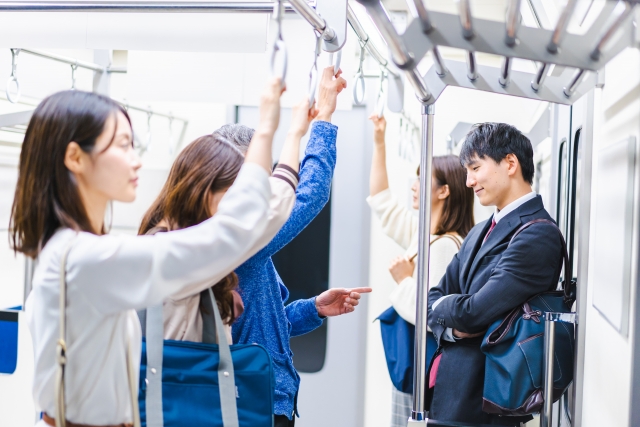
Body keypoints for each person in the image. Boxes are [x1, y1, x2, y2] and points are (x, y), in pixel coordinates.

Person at [11, 78, 289, 426]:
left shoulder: (77, 252)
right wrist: (267, 132)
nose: (136, 161)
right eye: (123, 145)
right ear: (75, 157)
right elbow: (229, 235)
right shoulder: (86, 260)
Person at [228, 67, 371, 427]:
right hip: (252, 406)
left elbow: (262, 329)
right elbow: (310, 196)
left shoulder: (243, 247)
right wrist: (323, 117)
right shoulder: (239, 242)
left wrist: (313, 309)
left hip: (269, 402)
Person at [138, 96, 317, 343]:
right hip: (186, 380)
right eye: (243, 189)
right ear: (205, 190)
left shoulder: (171, 237)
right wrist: (295, 132)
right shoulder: (187, 251)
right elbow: (288, 200)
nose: (249, 202)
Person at [427, 123, 564, 425]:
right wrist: (451, 324)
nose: (469, 181)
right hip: (450, 391)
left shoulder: (538, 234)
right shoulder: (478, 231)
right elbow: (433, 297)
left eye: (475, 168)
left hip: (486, 400)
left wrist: (449, 312)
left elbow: (474, 313)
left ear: (510, 163)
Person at [367, 114, 474, 427]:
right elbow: (382, 201)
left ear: (443, 191)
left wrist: (404, 281)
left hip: (423, 365)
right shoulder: (426, 233)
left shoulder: (445, 246)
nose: (413, 186)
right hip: (415, 363)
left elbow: (436, 315)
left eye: (422, 179)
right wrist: (378, 141)